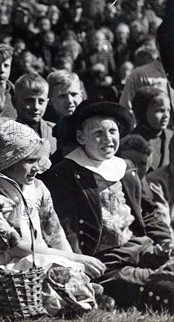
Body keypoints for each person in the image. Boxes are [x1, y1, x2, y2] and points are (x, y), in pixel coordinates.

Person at [43, 99, 174, 310]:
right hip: (106, 264)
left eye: (112, 131)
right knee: (167, 289)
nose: (108, 139)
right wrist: (80, 266)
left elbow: (148, 213)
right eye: (98, 133)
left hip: (141, 248)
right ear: (80, 137)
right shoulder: (66, 173)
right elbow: (64, 228)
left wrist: (166, 241)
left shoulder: (127, 168)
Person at [0, 120, 105, 312]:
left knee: (67, 269)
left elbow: (55, 234)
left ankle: (75, 294)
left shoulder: (38, 188)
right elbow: (15, 246)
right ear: (11, 160)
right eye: (29, 161)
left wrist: (74, 261)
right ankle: (69, 298)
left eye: (38, 161)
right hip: (5, 261)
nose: (36, 168)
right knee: (48, 273)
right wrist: (73, 258)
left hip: (39, 254)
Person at [130, 86, 172, 172]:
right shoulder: (130, 142)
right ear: (142, 111)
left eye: (168, 110)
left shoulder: (171, 136)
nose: (166, 116)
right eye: (160, 111)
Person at [14, 73, 57, 155]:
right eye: (29, 101)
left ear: (47, 102)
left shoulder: (55, 130)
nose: (36, 107)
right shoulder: (9, 133)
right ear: (14, 102)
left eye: (41, 101)